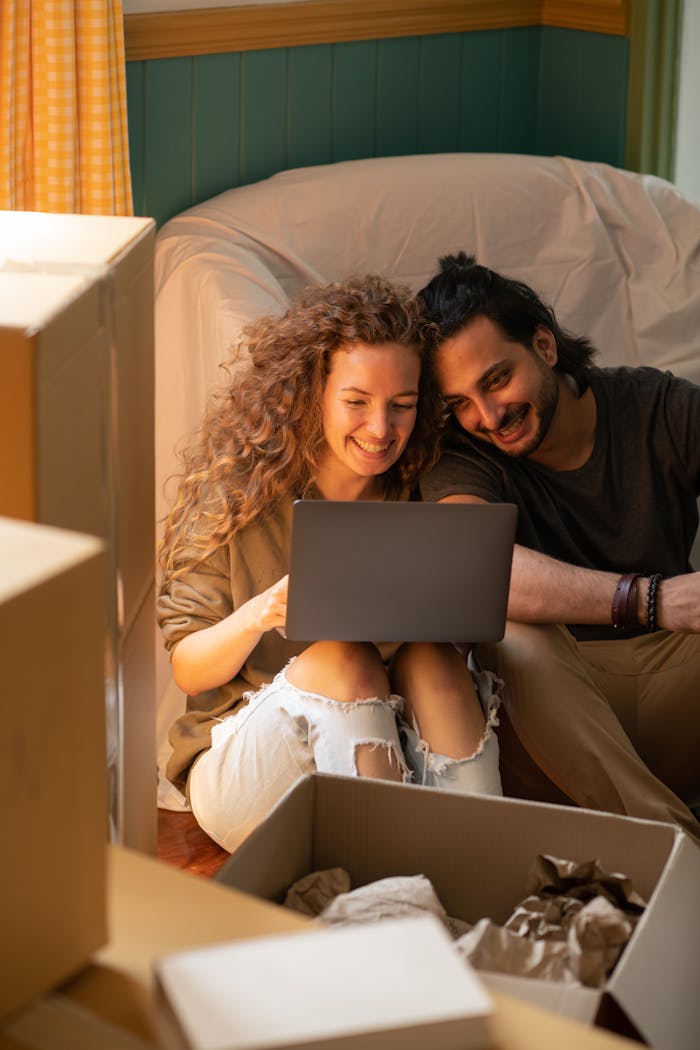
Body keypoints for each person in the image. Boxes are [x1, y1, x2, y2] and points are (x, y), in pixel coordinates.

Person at [157, 274, 503, 853]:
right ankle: (388, 886)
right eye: (357, 403)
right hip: (247, 764)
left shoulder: (420, 490)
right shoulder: (238, 496)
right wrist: (258, 615)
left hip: (388, 749)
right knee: (345, 659)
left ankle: (480, 857)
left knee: (434, 658)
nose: (380, 429)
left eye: (402, 406)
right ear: (311, 393)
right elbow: (189, 670)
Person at [418, 251, 700, 846]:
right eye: (460, 402)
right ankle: (673, 850)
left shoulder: (658, 407)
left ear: (544, 345)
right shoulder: (461, 455)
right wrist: (652, 599)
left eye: (496, 379)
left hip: (677, 681)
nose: (489, 416)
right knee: (509, 628)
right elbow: (475, 569)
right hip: (554, 725)